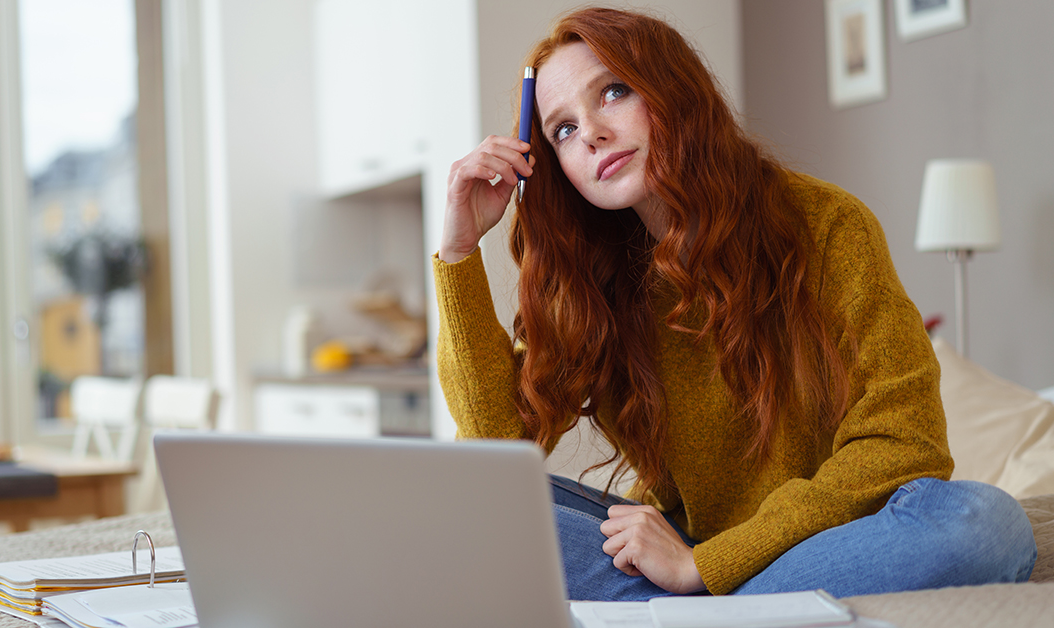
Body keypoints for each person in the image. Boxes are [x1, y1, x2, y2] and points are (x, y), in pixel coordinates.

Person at [432, 7, 1036, 600]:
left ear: (672, 90)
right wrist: (459, 252)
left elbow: (905, 445)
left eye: (613, 92)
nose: (589, 132)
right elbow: (493, 460)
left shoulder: (827, 226)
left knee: (985, 524)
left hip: (819, 540)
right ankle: (723, 611)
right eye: (562, 129)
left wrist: (705, 566)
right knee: (460, 504)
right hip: (669, 544)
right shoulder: (593, 279)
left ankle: (691, 612)